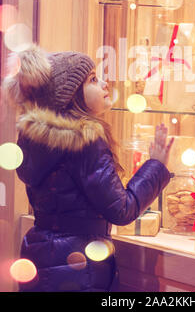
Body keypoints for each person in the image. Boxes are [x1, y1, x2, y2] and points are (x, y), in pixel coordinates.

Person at [3, 45, 174, 292]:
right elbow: (122, 210)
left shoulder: (35, 139)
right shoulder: (84, 140)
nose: (104, 83)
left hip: (39, 254)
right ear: (70, 95)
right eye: (93, 79)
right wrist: (155, 166)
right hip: (80, 264)